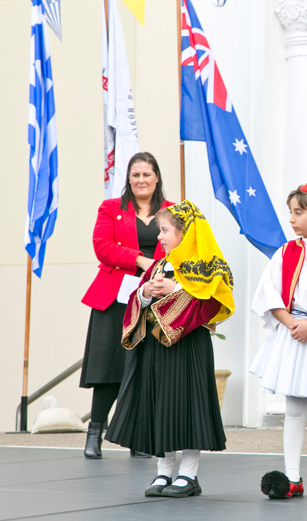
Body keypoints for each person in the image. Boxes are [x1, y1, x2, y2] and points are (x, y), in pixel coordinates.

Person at [104, 200, 235, 498]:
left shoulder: (207, 263)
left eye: (164, 230)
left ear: (184, 232)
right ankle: (163, 471)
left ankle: (188, 474)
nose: (160, 237)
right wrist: (146, 293)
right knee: (160, 406)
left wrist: (176, 290)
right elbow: (139, 296)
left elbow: (215, 301)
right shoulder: (159, 264)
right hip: (156, 347)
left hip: (189, 347)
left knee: (188, 408)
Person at [251, 182, 307, 500]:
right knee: (294, 406)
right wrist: (293, 324)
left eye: (298, 212)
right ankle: (291, 474)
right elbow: (269, 293)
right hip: (294, 333)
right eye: (290, 212)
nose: (291, 219)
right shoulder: (286, 251)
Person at [80, 152, 173, 459]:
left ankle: (139, 437)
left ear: (156, 177)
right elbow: (103, 248)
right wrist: (142, 260)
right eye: (135, 175)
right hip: (114, 299)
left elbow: (183, 249)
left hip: (155, 297)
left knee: (146, 367)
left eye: (146, 174)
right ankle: (95, 432)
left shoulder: (173, 212)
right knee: (109, 365)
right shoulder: (110, 209)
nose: (141, 180)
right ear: (128, 179)